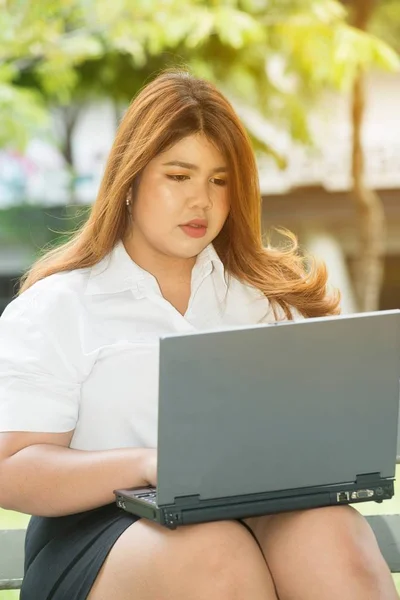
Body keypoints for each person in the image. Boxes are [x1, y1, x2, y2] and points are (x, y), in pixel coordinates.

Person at [0, 70, 397, 600]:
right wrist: (147, 464)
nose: (202, 202)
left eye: (219, 180)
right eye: (179, 176)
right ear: (130, 181)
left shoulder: (266, 299)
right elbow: (11, 468)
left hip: (256, 509)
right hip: (102, 533)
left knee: (335, 535)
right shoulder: (59, 306)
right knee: (215, 554)